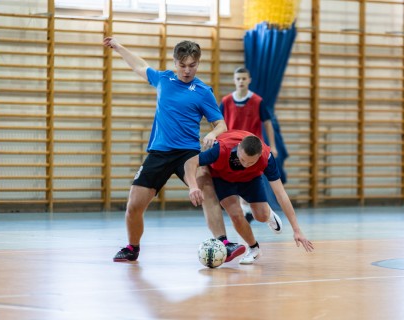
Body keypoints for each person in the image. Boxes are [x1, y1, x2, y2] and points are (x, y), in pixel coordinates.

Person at [103, 37, 245, 262]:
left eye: (192, 65)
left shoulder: (202, 91)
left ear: (198, 63)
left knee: (207, 188)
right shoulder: (163, 79)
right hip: (159, 152)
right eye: (183, 65)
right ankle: (133, 248)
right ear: (175, 62)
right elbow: (140, 65)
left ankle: (223, 242)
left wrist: (211, 133)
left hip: (188, 154)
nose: (187, 70)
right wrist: (119, 47)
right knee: (134, 204)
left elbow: (221, 125)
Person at [184, 130, 314, 264]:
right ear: (239, 148)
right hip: (223, 177)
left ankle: (268, 214)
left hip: (250, 179)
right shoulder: (220, 149)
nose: (245, 164)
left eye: (251, 162)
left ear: (259, 155)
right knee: (235, 214)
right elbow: (190, 163)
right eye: (243, 160)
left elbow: (281, 194)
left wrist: (296, 230)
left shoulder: (266, 158)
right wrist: (193, 186)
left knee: (260, 216)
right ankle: (254, 249)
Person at [220, 67, 279, 222]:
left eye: (244, 78)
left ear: (249, 80)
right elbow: (218, 123)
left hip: (252, 149)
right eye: (238, 78)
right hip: (232, 148)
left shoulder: (257, 101)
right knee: (234, 179)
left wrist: (272, 145)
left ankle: (256, 209)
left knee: (250, 179)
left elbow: (267, 122)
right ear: (234, 80)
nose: (241, 81)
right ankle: (247, 209)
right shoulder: (226, 101)